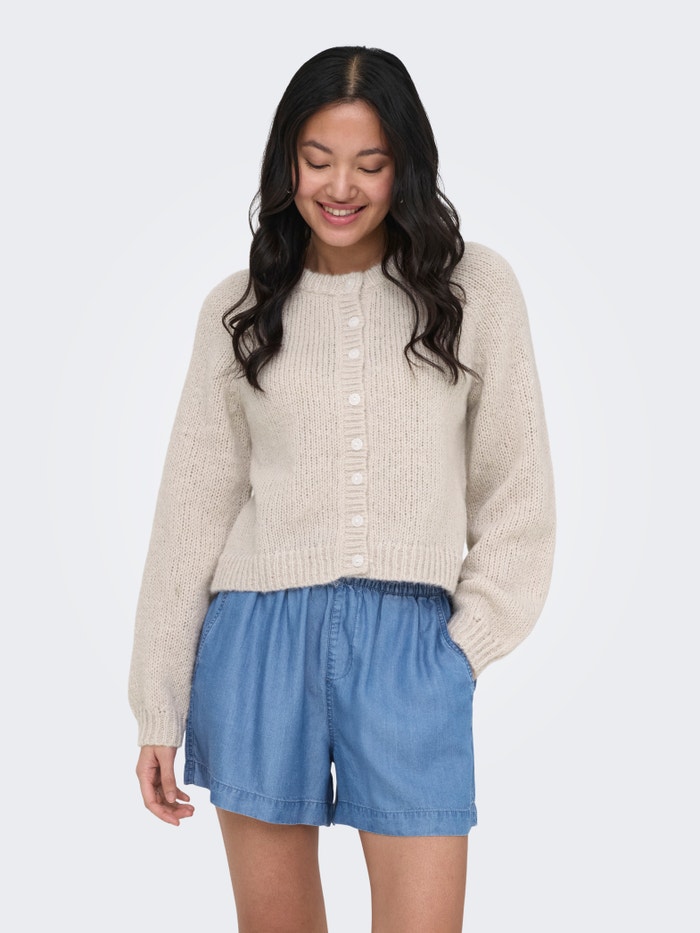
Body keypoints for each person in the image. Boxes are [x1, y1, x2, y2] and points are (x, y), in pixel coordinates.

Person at [128, 45, 556, 932]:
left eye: (370, 163)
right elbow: (190, 513)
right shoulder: (239, 308)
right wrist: (158, 705)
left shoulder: (475, 290)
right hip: (256, 640)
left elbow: (518, 495)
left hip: (411, 648)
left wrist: (459, 652)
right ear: (287, 159)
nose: (340, 187)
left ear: (407, 166)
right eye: (318, 159)